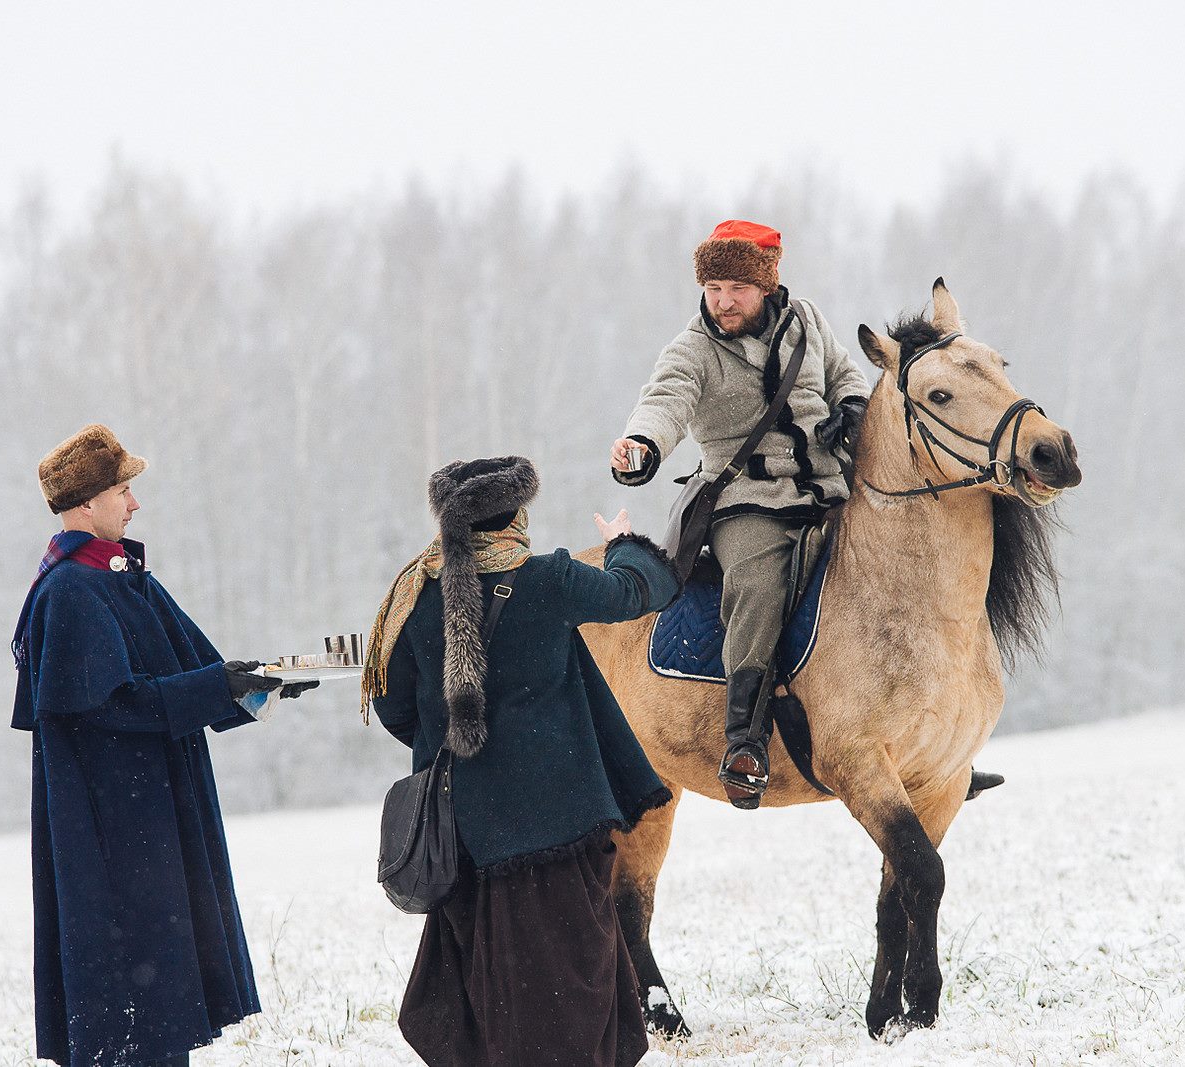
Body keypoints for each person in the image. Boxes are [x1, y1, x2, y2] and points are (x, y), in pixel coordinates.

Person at [10, 423, 313, 1067]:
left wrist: (262, 684)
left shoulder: (117, 576)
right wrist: (219, 687)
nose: (135, 503)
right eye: (124, 490)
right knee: (135, 969)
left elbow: (188, 673)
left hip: (152, 803)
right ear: (87, 503)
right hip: (117, 820)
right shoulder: (68, 590)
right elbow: (113, 704)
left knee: (167, 966)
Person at [364, 456, 681, 1067]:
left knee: (489, 973)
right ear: (517, 515)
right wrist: (622, 545)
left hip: (468, 831)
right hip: (559, 818)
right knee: (570, 969)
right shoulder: (547, 579)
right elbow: (643, 591)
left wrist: (465, 750)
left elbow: (393, 704)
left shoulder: (412, 592)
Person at [609, 220, 870, 807]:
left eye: (738, 288)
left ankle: (928, 742)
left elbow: (843, 373)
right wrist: (641, 446)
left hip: (831, 492)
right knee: (756, 586)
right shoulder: (692, 350)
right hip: (747, 505)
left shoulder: (807, 320)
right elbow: (664, 402)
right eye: (714, 287)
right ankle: (745, 741)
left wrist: (851, 408)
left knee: (903, 562)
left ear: (768, 284)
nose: (724, 302)